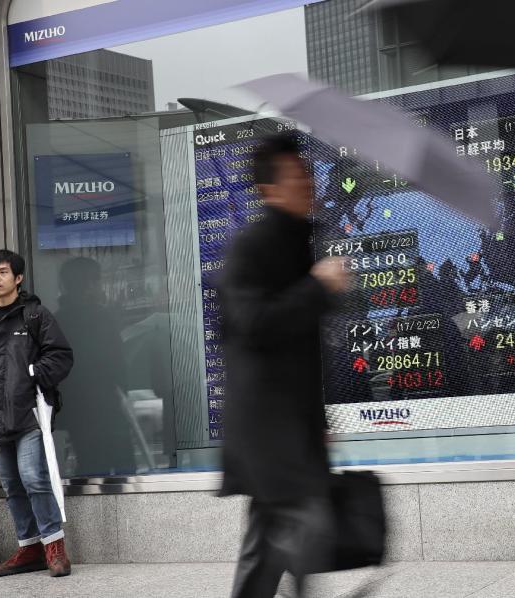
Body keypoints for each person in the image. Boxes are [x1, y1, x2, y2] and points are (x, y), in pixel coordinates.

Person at [219, 133, 350, 598]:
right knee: (287, 535)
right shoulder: (252, 247)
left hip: (287, 428)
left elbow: (297, 350)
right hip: (268, 431)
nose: (309, 183)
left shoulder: (297, 242)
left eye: (308, 173)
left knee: (279, 539)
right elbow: (252, 324)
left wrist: (316, 420)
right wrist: (316, 287)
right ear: (269, 189)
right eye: (297, 176)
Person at [0, 249, 75, 576]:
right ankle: (29, 549)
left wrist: (31, 376)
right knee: (12, 486)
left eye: (1, 272)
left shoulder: (35, 316)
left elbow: (61, 355)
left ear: (18, 278)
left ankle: (55, 549)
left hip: (27, 415)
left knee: (34, 479)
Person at [53, 257, 134, 476]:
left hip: (76, 409)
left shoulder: (57, 320)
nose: (101, 286)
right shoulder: (101, 318)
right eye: (99, 281)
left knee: (90, 467)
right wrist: (124, 393)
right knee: (122, 467)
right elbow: (115, 362)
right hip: (104, 406)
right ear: (88, 285)